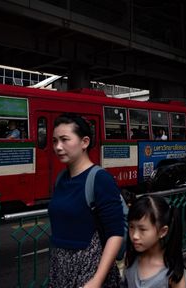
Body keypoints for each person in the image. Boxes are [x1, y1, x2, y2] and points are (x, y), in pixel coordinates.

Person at [48, 113, 124, 288]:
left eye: (65, 139)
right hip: (59, 267)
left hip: (89, 269)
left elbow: (115, 233)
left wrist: (97, 280)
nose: (58, 147)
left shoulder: (100, 179)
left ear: (85, 142)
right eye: (54, 141)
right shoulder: (61, 179)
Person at [121, 195, 186, 288]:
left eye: (142, 229)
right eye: (131, 227)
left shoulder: (171, 271)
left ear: (162, 231)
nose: (134, 236)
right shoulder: (130, 258)